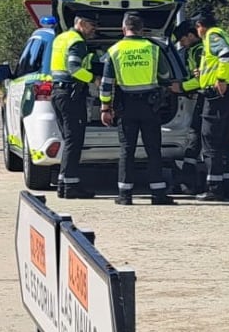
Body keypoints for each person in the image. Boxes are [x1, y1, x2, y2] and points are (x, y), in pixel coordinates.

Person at [100, 13, 181, 206]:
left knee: (127, 149)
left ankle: (125, 194)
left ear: (123, 29)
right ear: (142, 30)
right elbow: (165, 74)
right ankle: (158, 193)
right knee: (153, 149)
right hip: (150, 106)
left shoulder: (115, 50)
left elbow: (106, 83)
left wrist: (105, 107)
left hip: (126, 106)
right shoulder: (152, 49)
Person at [49, 15, 99, 199]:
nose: (94, 29)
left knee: (69, 140)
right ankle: (70, 187)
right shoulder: (77, 42)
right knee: (74, 140)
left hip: (58, 93)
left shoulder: (61, 38)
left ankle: (64, 183)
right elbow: (74, 69)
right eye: (92, 24)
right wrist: (94, 79)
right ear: (81, 23)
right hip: (70, 94)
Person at [192, 11, 229, 200]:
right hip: (228, 95)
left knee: (210, 141)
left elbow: (225, 55)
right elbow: (216, 61)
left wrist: (220, 79)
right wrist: (202, 74)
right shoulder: (222, 34)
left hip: (216, 96)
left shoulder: (212, 35)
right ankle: (228, 186)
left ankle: (214, 188)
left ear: (200, 25)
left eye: (196, 28)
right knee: (223, 143)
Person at [170, 19, 207, 195]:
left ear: (191, 36)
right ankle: (187, 179)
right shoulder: (192, 50)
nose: (182, 44)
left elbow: (201, 79)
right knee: (195, 139)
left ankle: (189, 180)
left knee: (196, 138)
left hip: (204, 97)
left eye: (183, 40)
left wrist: (183, 87)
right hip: (199, 96)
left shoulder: (200, 50)